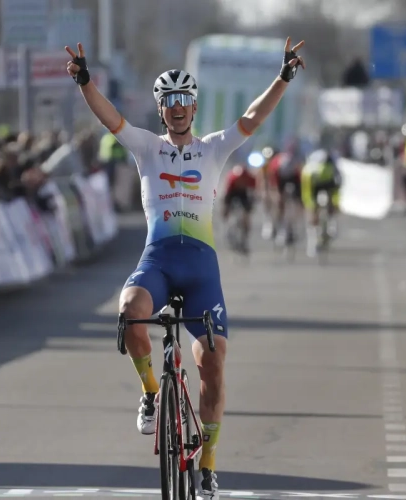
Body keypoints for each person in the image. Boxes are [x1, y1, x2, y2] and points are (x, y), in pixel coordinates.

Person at [65, 38, 305, 499]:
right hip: (157, 259)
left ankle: (209, 465)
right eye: (168, 101)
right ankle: (153, 393)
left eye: (184, 101)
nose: (177, 108)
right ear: (161, 109)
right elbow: (109, 116)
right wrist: (84, 82)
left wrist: (283, 78)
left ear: (193, 107)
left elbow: (253, 119)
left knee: (211, 365)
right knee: (131, 311)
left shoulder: (214, 149)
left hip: (200, 271)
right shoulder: (146, 148)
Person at [300, 150, 342, 256]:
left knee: (331, 205)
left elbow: (336, 189)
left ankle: (331, 224)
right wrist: (311, 206)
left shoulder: (332, 170)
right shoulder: (308, 172)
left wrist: (335, 203)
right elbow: (307, 193)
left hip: (328, 184)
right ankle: (312, 240)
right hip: (313, 187)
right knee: (312, 214)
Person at [221, 162, 258, 253]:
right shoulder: (232, 179)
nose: (241, 181)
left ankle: (245, 235)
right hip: (233, 192)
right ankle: (229, 228)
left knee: (247, 213)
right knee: (227, 208)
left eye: (243, 180)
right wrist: (226, 209)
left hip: (243, 193)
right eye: (240, 180)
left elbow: (254, 192)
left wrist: (250, 207)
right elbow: (227, 195)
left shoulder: (250, 178)